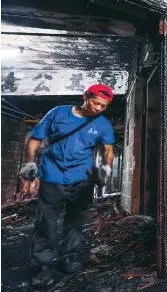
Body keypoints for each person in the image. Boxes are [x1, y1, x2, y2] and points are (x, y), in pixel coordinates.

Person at [19, 84, 115, 287]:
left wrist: (106, 169)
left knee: (76, 220)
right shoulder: (58, 113)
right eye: (95, 103)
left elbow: (108, 149)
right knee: (47, 221)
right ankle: (41, 266)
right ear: (85, 97)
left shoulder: (102, 124)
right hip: (53, 173)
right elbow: (35, 139)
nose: (98, 109)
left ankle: (67, 257)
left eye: (103, 106)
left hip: (82, 176)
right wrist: (29, 163)